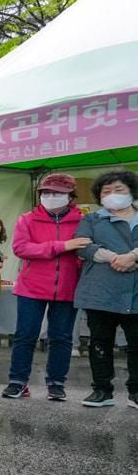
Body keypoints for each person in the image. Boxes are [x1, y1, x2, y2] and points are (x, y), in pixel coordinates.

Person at [2, 174, 86, 402]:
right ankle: (17, 381)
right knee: (25, 335)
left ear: (70, 196)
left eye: (58, 193)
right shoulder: (27, 219)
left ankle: (57, 383)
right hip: (31, 288)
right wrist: (62, 246)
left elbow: (86, 251)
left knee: (61, 337)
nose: (51, 197)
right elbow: (22, 248)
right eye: (46, 193)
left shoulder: (83, 221)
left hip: (68, 286)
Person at [74, 170, 138, 409]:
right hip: (100, 291)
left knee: (136, 344)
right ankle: (102, 390)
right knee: (100, 342)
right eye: (106, 191)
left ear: (132, 191)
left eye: (119, 189)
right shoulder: (91, 219)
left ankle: (136, 392)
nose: (112, 195)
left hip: (135, 291)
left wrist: (133, 256)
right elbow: (83, 246)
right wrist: (116, 258)